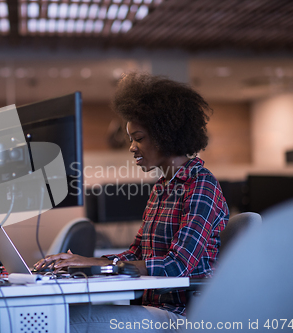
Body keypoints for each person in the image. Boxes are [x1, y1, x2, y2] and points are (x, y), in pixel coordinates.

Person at [34, 72, 229, 332]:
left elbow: (177, 266)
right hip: (151, 307)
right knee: (65, 312)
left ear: (166, 134)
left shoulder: (200, 185)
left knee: (65, 321)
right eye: (130, 139)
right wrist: (86, 260)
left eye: (138, 138)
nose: (132, 148)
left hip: (181, 314)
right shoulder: (162, 188)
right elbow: (137, 254)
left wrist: (97, 264)